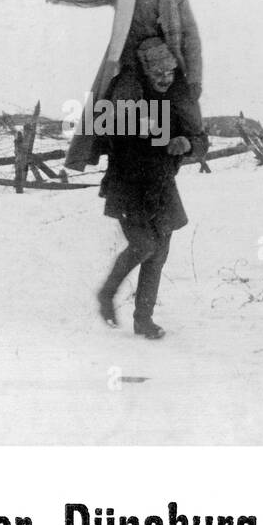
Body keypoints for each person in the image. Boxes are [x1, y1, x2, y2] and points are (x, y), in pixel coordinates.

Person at [39, 0, 204, 171]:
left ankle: (185, 149)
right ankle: (123, 161)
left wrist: (194, 79)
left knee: (188, 111)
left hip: (167, 68)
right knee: (118, 111)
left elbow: (190, 36)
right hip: (131, 67)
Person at [95, 38, 207, 339]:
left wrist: (186, 144)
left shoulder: (176, 100)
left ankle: (143, 320)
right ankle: (106, 294)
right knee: (145, 245)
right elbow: (106, 134)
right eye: (158, 74)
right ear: (144, 71)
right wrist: (140, 127)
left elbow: (199, 139)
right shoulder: (125, 96)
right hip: (128, 187)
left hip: (162, 187)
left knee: (159, 254)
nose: (164, 79)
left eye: (169, 74)